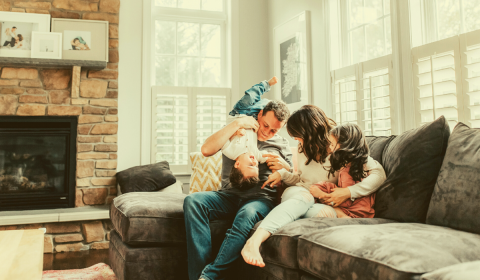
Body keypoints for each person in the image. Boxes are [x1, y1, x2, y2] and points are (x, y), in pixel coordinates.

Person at [241, 105, 386, 268]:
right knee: (304, 198)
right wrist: (283, 174)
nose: (296, 140)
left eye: (297, 135)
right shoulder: (303, 148)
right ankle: (254, 241)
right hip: (301, 192)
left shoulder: (339, 144)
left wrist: (348, 192)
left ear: (309, 132)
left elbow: (379, 174)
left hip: (322, 201)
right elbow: (300, 180)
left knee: (318, 213)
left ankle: (280, 219)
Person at [183, 81, 292, 280]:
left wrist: (283, 170)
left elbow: (294, 177)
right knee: (192, 201)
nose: (267, 132)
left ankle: (209, 276)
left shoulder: (282, 145)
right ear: (259, 115)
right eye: (266, 125)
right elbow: (206, 150)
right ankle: (198, 276)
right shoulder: (238, 130)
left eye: (274, 130)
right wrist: (236, 124)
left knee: (246, 213)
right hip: (228, 195)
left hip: (260, 199)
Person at [307, 123, 375, 219]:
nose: (330, 149)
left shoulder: (348, 171)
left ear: (344, 145)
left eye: (332, 144)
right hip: (365, 211)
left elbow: (345, 201)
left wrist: (322, 194)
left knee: (321, 199)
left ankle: (343, 217)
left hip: (356, 213)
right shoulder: (358, 165)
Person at [223, 77, 279, 190]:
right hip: (253, 118)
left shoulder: (230, 151)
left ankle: (266, 84)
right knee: (268, 105)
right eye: (256, 166)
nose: (254, 161)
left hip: (239, 113)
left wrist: (235, 133)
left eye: (250, 164)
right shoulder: (256, 155)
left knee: (251, 96)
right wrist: (277, 161)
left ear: (237, 164)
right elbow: (268, 156)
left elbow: (223, 135)